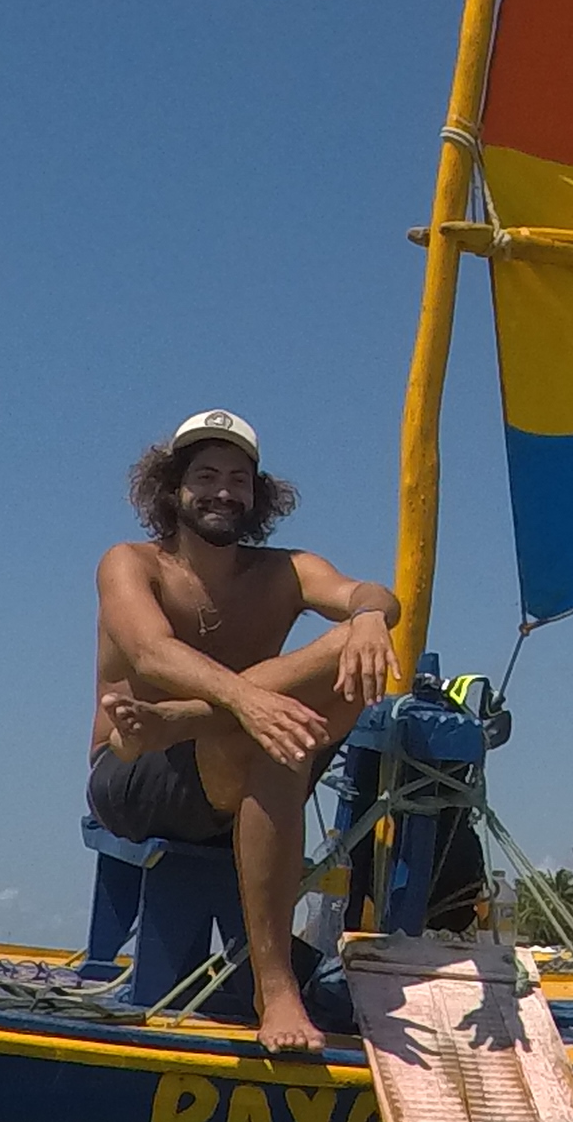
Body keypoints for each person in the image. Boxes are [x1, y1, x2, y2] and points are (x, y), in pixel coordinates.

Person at [89, 410, 399, 1053]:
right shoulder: (131, 562)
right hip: (134, 768)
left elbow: (367, 594)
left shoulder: (285, 569)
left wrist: (371, 616)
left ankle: (196, 718)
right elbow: (151, 655)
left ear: (258, 496)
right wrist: (247, 702)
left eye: (239, 478)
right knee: (275, 734)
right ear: (172, 488)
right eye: (205, 475)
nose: (223, 491)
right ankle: (276, 989)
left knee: (337, 662)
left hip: (236, 750)